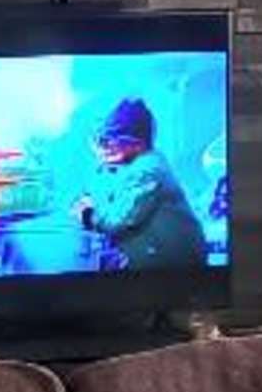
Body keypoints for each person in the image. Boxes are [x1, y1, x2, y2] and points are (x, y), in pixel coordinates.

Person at [73, 97, 208, 271]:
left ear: (137, 142)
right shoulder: (133, 166)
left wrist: (87, 214)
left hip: (175, 268)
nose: (106, 145)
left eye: (113, 138)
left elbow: (118, 221)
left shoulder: (148, 170)